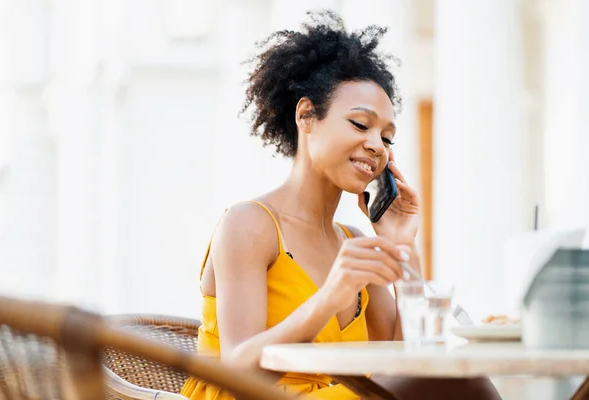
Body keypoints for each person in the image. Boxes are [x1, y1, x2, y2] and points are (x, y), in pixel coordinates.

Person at [180, 10, 501, 400]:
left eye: (388, 137)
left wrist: (403, 248)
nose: (377, 146)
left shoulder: (354, 241)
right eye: (361, 125)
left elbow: (405, 361)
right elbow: (238, 371)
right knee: (459, 381)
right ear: (306, 116)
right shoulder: (249, 224)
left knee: (456, 376)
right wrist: (330, 297)